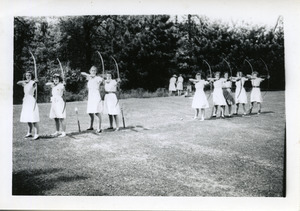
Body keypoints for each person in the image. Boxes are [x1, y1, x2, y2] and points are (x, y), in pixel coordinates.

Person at [17, 71, 40, 140]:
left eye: (29, 75)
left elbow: (35, 84)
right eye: (27, 75)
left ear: (31, 76)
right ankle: (29, 133)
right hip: (26, 100)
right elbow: (18, 82)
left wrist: (35, 81)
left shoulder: (33, 82)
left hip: (31, 100)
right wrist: (26, 81)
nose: (28, 76)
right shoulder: (25, 83)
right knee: (28, 117)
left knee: (33, 117)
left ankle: (36, 134)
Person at [81, 66, 104, 133]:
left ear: (96, 72)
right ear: (90, 71)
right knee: (90, 112)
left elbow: (102, 80)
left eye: (94, 71)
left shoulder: (98, 78)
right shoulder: (89, 77)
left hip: (96, 96)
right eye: (92, 70)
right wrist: (89, 75)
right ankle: (91, 126)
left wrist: (101, 79)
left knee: (97, 112)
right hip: (90, 96)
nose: (93, 72)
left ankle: (99, 128)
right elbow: (82, 73)